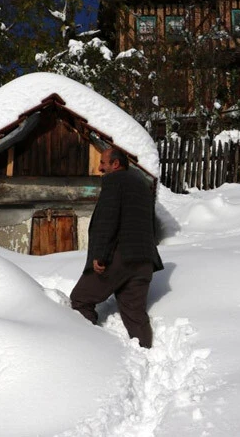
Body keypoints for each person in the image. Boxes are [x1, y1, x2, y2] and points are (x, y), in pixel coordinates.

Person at [70, 147, 163, 348]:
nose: (100, 167)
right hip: (144, 260)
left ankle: (82, 349)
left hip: (119, 257)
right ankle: (145, 352)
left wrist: (101, 255)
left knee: (80, 299)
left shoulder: (114, 182)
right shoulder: (142, 184)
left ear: (116, 164)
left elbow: (107, 220)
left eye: (103, 162)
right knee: (135, 313)